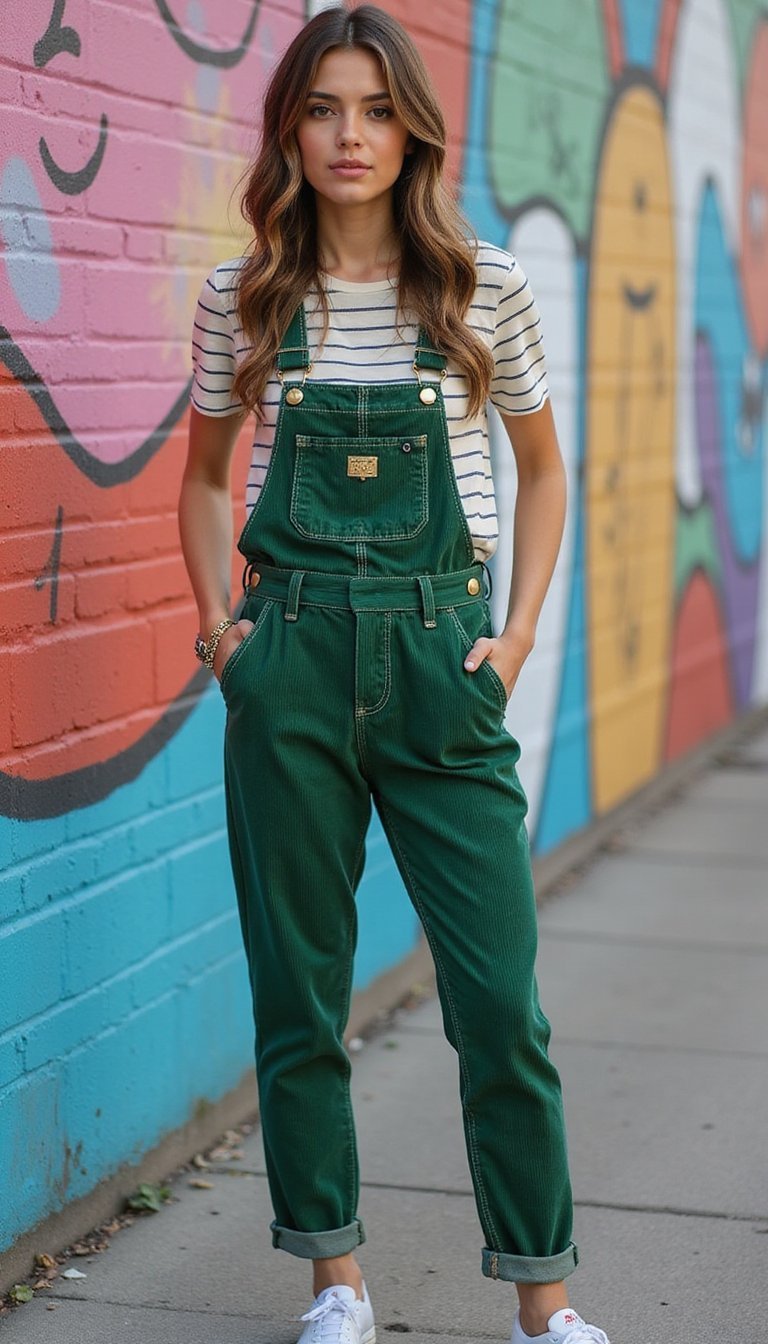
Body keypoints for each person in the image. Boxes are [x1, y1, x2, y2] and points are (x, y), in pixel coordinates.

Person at [178, 7, 611, 1344]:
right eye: (321, 108)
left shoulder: (481, 288)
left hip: (441, 657)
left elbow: (543, 472)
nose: (348, 135)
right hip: (291, 659)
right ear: (289, 130)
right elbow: (199, 480)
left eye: (373, 108)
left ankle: (545, 1304)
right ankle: (336, 1284)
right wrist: (221, 633)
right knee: (300, 995)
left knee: (501, 1006)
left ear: (412, 126)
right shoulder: (244, 297)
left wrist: (521, 631)